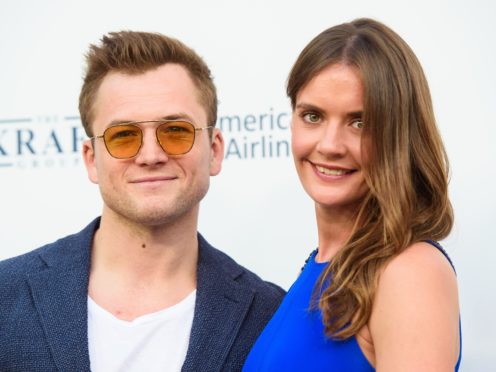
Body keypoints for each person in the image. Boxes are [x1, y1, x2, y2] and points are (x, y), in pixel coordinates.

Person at [0, 31, 284, 372]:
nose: (151, 155)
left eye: (176, 131)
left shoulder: (271, 317)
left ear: (215, 150)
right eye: (124, 136)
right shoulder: (6, 295)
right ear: (91, 158)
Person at [243, 18, 461, 371]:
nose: (329, 145)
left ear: (399, 135)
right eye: (312, 116)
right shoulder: (319, 267)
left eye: (360, 122)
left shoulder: (408, 272)